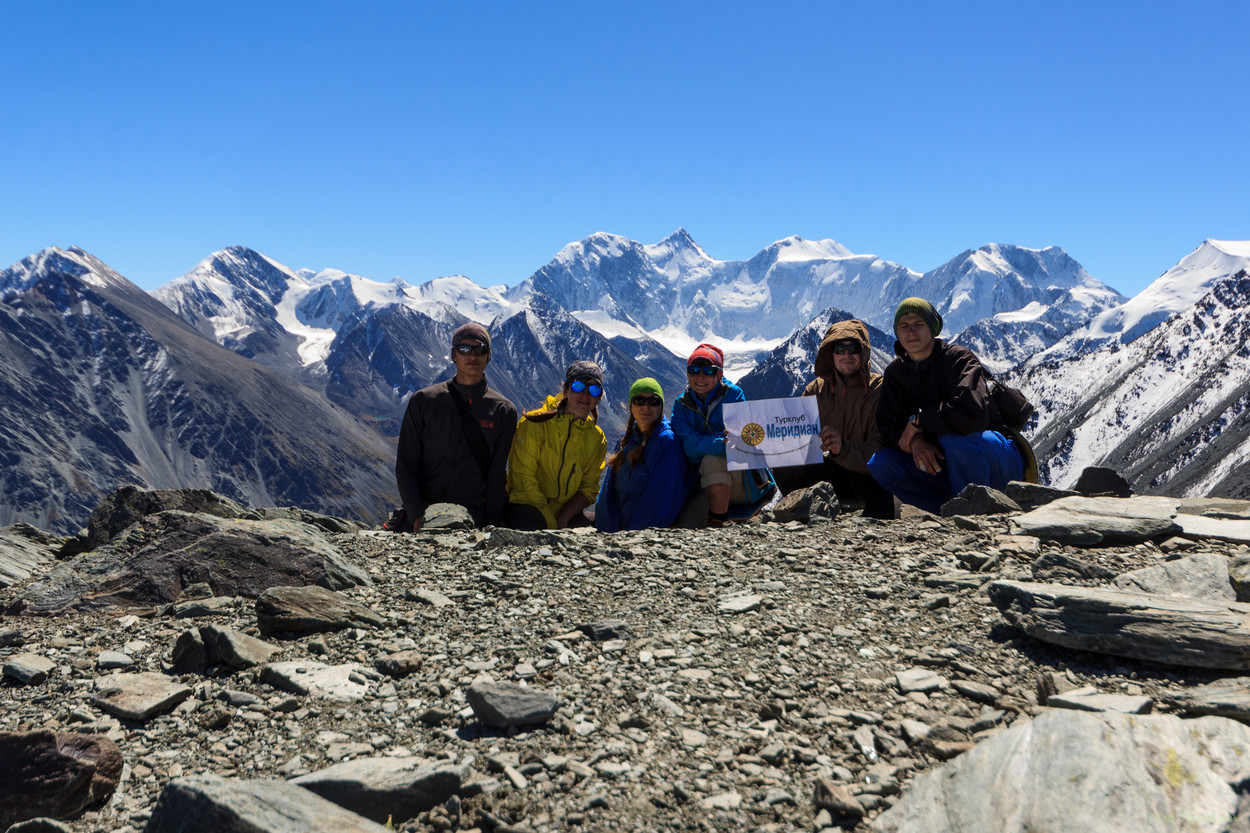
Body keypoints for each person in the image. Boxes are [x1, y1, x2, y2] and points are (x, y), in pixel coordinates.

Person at [867, 298, 1025, 514]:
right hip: (947, 462)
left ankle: (978, 510)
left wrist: (919, 422)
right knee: (881, 463)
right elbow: (889, 429)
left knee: (955, 438)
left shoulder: (959, 359)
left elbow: (971, 415)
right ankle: (949, 513)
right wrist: (915, 441)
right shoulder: (897, 373)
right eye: (903, 326)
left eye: (918, 324)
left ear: (932, 328)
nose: (910, 331)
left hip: (993, 455)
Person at [394, 322, 517, 530]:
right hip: (424, 513)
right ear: (454, 355)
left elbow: (497, 474)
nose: (473, 355)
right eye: (464, 349)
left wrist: (491, 525)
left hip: (473, 516)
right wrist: (416, 515)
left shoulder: (503, 411)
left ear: (488, 356)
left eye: (480, 349)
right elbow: (406, 464)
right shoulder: (424, 401)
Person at [773, 319, 897, 519]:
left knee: (879, 518)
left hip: (869, 476)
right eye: (839, 349)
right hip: (832, 473)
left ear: (863, 352)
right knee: (785, 463)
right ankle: (801, 514)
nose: (846, 355)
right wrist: (748, 440)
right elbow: (793, 433)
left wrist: (844, 448)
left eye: (853, 348)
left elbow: (886, 449)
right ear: (831, 354)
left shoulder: (880, 390)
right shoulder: (816, 389)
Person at [671, 343, 772, 527]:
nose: (700, 376)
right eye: (694, 370)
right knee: (686, 523)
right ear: (687, 374)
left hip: (740, 478)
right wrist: (721, 441)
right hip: (699, 481)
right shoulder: (681, 405)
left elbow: (740, 440)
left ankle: (718, 525)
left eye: (709, 371)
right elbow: (687, 445)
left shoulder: (733, 395)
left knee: (711, 460)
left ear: (719, 374)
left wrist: (709, 443)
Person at [504, 361, 608, 530]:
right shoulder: (533, 423)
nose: (585, 395)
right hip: (527, 506)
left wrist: (564, 518)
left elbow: (588, 487)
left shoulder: (597, 438)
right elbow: (523, 480)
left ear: (599, 398)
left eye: (594, 390)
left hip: (564, 513)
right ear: (566, 390)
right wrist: (552, 525)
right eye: (578, 386)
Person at [595, 378, 689, 532]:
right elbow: (608, 492)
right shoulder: (625, 439)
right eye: (639, 400)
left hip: (643, 533)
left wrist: (636, 534)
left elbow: (665, 496)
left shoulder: (666, 441)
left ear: (661, 406)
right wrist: (607, 529)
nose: (646, 406)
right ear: (631, 406)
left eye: (654, 401)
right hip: (617, 530)